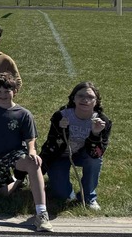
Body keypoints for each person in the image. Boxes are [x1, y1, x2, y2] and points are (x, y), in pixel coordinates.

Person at [0, 72, 53, 231]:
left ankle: (41, 214)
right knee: (2, 195)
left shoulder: (24, 114)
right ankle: (19, 179)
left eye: (7, 91)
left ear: (15, 91)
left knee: (34, 163)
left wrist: (32, 151)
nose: (2, 95)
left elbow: (30, 138)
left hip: (15, 153)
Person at [40, 81, 111, 210]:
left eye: (90, 97)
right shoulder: (61, 116)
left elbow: (97, 153)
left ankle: (89, 197)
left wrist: (95, 133)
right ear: (73, 98)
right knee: (64, 197)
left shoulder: (102, 121)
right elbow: (51, 145)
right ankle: (57, 182)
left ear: (96, 101)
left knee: (94, 160)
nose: (85, 100)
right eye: (80, 96)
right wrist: (61, 131)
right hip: (60, 155)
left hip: (84, 155)